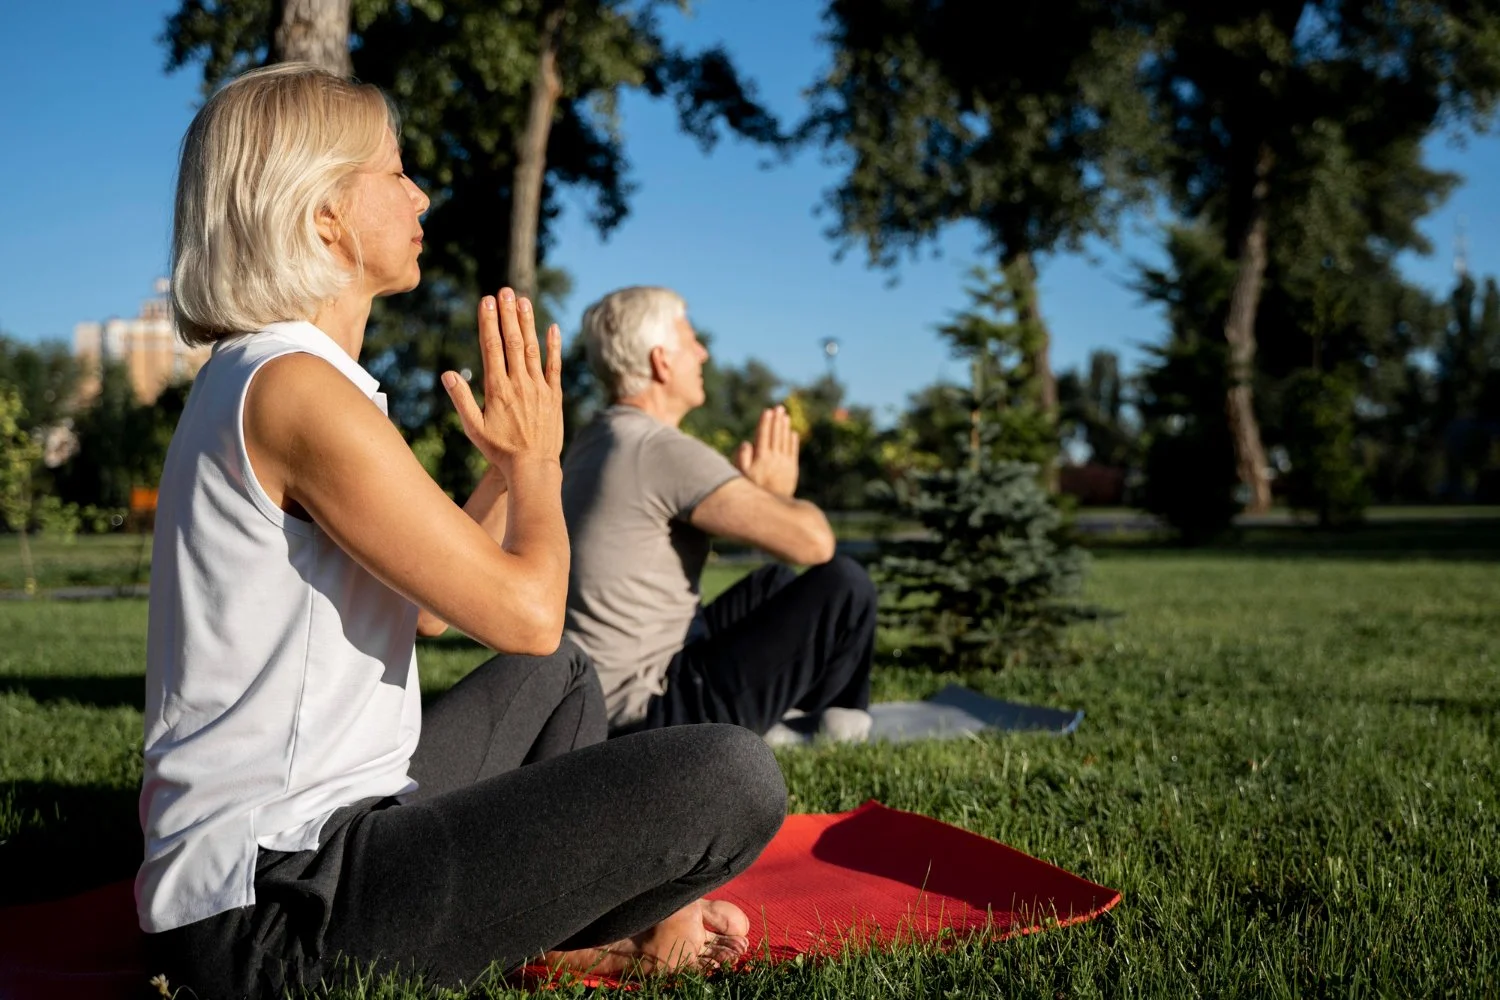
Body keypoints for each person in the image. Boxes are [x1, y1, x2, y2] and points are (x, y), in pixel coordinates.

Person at [137, 64, 785, 998]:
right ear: (323, 214)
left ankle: (571, 934)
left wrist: (508, 462)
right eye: (394, 173)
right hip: (275, 918)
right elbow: (527, 611)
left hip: (312, 855)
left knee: (556, 679)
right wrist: (534, 468)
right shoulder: (294, 390)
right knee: (733, 776)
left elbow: (441, 616)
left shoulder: (277, 375)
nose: (421, 194)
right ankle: (617, 931)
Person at [561, 286, 878, 744]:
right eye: (691, 340)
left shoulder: (596, 438)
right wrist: (777, 495)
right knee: (845, 584)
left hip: (601, 701)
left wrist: (762, 499)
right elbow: (815, 543)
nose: (703, 353)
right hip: (653, 715)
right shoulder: (659, 449)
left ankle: (797, 717)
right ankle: (832, 727)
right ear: (661, 361)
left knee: (771, 584)